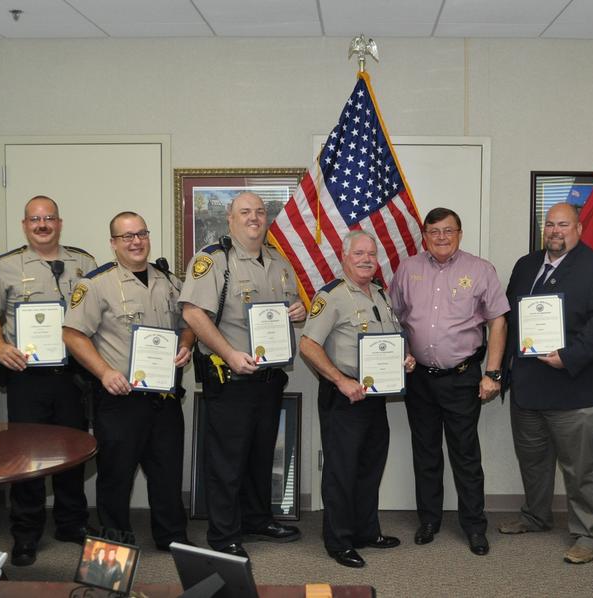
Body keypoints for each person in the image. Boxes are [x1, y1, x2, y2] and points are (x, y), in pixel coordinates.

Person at [180, 192, 306, 558]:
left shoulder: (280, 263)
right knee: (227, 462)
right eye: (245, 212)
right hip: (230, 379)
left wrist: (296, 311)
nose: (254, 217)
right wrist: (230, 354)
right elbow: (193, 313)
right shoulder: (213, 260)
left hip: (268, 379)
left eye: (260, 212)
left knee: (259, 456)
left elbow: (284, 311)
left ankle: (256, 519)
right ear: (230, 220)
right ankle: (223, 536)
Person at [0, 195, 97, 566]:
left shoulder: (85, 263)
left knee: (72, 452)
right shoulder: (7, 267)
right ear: (24, 225)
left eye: (49, 218)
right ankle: (26, 533)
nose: (42, 225)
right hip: (27, 378)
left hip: (73, 377)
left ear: (59, 223)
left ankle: (71, 523)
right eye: (34, 219)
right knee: (25, 457)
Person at [499, 202, 593, 564]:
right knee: (533, 461)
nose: (555, 231)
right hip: (528, 386)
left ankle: (589, 534)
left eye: (563, 224)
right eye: (550, 224)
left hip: (575, 387)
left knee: (580, 467)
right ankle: (536, 516)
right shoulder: (526, 265)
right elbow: (508, 319)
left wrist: (568, 356)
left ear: (579, 229)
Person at [63, 211, 195, 550]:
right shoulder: (95, 284)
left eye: (141, 234)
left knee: (167, 473)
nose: (136, 241)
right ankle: (116, 541)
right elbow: (72, 334)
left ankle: (172, 537)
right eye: (127, 236)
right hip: (120, 399)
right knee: (116, 476)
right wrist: (105, 372)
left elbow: (189, 321)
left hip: (164, 398)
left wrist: (185, 345)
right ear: (113, 244)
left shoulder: (169, 281)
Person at [388, 207, 509, 556]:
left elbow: (498, 323)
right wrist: (400, 354)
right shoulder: (408, 269)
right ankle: (429, 520)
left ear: (459, 233)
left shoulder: (480, 270)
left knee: (465, 455)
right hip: (419, 379)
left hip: (462, 378)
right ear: (424, 235)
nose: (441, 237)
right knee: (425, 452)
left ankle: (474, 526)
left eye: (448, 230)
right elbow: (394, 317)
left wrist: (493, 372)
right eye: (433, 231)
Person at [299, 230, 415, 568]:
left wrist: (403, 359)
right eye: (358, 253)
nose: (366, 259)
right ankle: (339, 541)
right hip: (344, 397)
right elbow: (308, 344)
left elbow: (386, 342)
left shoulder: (379, 293)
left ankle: (366, 531)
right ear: (344, 256)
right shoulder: (331, 296)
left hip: (375, 396)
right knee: (341, 470)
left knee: (369, 467)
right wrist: (340, 380)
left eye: (370, 253)